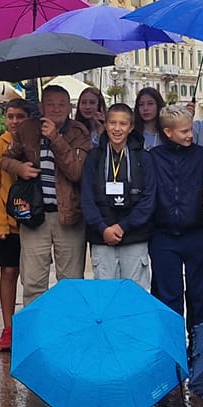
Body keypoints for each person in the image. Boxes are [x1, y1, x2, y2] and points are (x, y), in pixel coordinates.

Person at [1, 86, 93, 304]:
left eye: (62, 104)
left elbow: (76, 172)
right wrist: (19, 168)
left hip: (69, 215)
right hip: (34, 215)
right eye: (50, 104)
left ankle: (68, 333)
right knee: (33, 282)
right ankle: (36, 334)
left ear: (69, 108)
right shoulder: (26, 129)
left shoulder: (79, 132)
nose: (56, 109)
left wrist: (55, 139)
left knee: (70, 282)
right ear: (41, 106)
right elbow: (5, 159)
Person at [147, 104, 203, 334]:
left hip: (197, 233)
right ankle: (172, 347)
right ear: (168, 133)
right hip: (164, 235)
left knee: (201, 294)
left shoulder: (201, 156)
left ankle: (200, 345)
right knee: (168, 296)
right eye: (184, 131)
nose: (190, 135)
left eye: (190, 129)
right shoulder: (153, 158)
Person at [81, 103, 155, 288]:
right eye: (112, 123)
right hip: (102, 237)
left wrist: (124, 226)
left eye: (123, 124)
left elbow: (149, 198)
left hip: (134, 237)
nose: (117, 128)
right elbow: (87, 198)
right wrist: (102, 228)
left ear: (131, 127)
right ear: (105, 125)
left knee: (134, 295)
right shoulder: (95, 157)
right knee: (105, 295)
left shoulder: (143, 158)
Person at [0, 99, 34, 351]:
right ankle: (8, 327)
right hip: (9, 221)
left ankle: (30, 326)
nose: (15, 121)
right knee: (8, 272)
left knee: (33, 276)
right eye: (11, 116)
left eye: (20, 116)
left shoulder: (35, 141)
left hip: (33, 220)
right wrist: (0, 224)